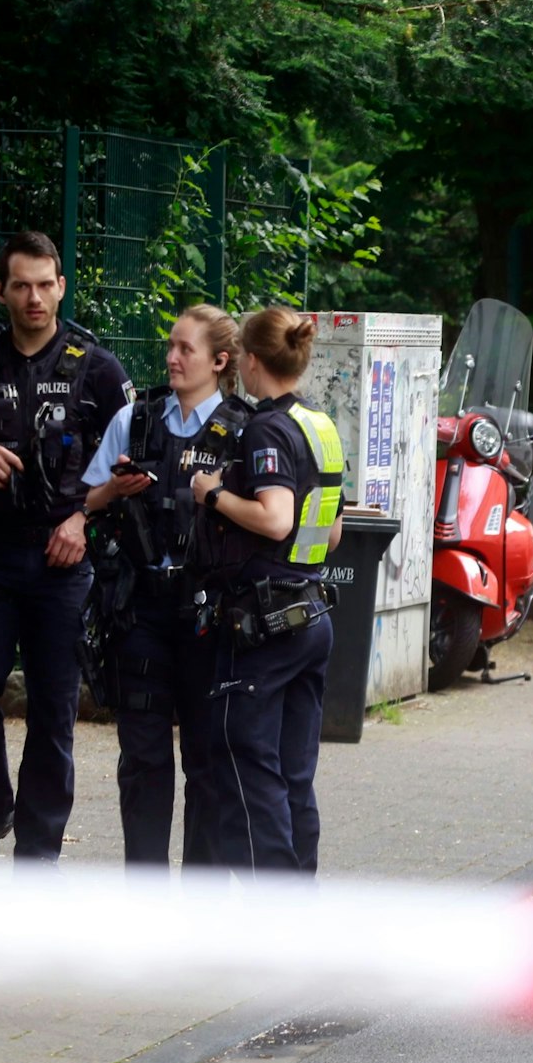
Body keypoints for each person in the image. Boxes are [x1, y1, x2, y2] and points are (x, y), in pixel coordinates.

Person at [0, 231, 134, 864]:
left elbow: (130, 472)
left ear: (61, 287)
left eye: (45, 284)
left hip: (63, 560)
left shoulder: (98, 369)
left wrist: (81, 520)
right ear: (1, 291)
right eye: (21, 286)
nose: (34, 297)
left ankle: (39, 849)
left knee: (53, 708)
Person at [80, 306, 247, 867]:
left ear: (219, 362)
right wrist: (115, 490)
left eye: (185, 349)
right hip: (142, 611)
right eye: (171, 346)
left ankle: (200, 900)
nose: (172, 358)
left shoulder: (245, 430)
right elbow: (84, 500)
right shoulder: (136, 419)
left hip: (211, 615)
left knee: (207, 759)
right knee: (143, 760)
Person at [191, 307, 344, 875]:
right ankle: (299, 898)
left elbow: (276, 519)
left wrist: (211, 494)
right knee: (294, 772)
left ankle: (271, 907)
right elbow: (331, 534)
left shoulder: (265, 428)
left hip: (265, 623)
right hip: (311, 613)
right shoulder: (320, 425)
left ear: (251, 361)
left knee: (249, 764)